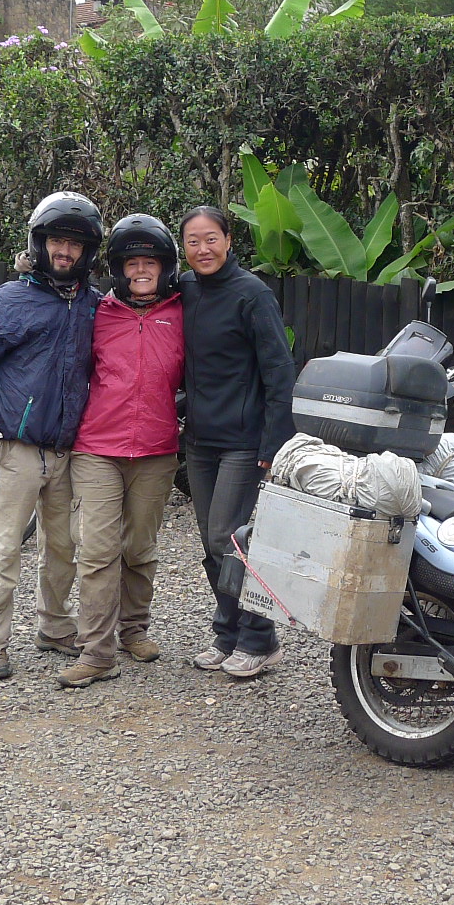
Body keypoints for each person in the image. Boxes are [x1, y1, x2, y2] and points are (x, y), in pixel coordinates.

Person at [0, 191, 102, 681]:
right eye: (57, 240)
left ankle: (54, 627)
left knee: (63, 549)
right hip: (18, 448)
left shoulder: (94, 306)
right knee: (4, 546)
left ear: (88, 252)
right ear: (40, 242)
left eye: (76, 244)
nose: (65, 251)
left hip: (68, 450)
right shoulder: (11, 300)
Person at [59, 215, 185, 689]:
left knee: (139, 548)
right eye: (131, 262)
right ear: (117, 268)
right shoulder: (97, 311)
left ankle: (135, 629)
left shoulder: (183, 312)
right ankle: (97, 651)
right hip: (98, 447)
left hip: (156, 448)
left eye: (148, 261)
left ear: (165, 266)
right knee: (96, 550)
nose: (140, 270)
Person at [175, 205, 297, 679]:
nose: (202, 249)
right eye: (192, 241)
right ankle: (227, 633)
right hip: (201, 438)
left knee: (230, 538)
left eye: (211, 239)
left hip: (244, 441)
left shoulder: (253, 295)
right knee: (212, 543)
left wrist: (274, 444)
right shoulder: (184, 290)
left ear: (229, 240)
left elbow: (279, 372)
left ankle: (259, 639)